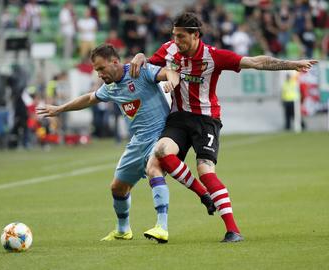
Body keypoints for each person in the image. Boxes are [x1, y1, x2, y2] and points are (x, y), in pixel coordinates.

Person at [130, 12, 318, 243]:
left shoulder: (214, 56)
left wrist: (292, 64)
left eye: (181, 36)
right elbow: (148, 63)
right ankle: (203, 195)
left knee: (205, 170)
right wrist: (139, 55)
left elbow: (256, 62)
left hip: (206, 120)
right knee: (160, 152)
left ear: (195, 35)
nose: (176, 41)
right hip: (178, 118)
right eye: (174, 35)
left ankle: (233, 230)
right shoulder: (169, 50)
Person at [37, 44, 212, 243]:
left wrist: (171, 82)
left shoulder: (141, 71)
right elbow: (88, 98)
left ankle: (162, 227)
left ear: (114, 62)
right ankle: (123, 230)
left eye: (101, 69)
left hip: (160, 136)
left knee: (153, 168)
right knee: (117, 188)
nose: (100, 74)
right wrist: (60, 109)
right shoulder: (110, 87)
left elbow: (170, 72)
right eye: (96, 70)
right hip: (137, 142)